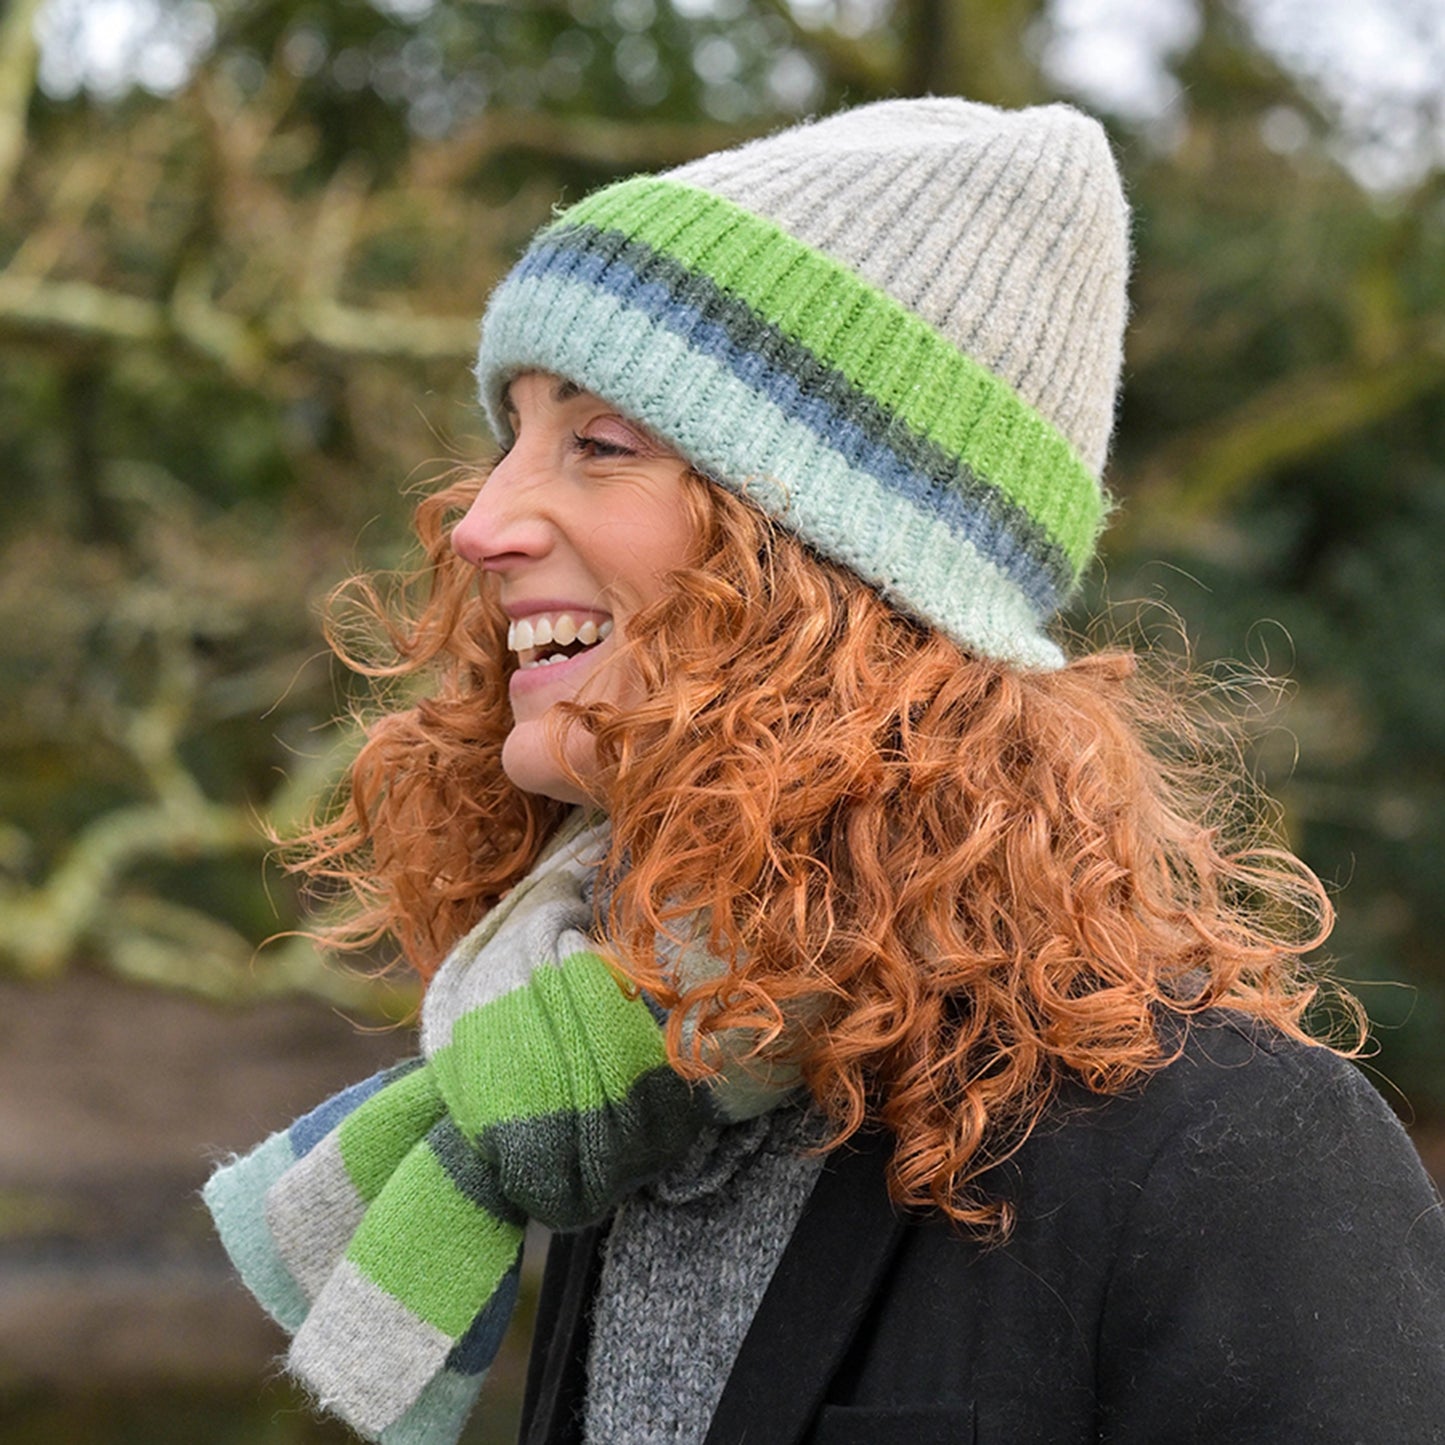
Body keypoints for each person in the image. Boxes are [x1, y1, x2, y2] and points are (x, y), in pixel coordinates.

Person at [205, 98, 1445, 1445]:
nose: (483, 520)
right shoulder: (634, 1086)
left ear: (837, 565)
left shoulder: (1232, 1154)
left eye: (598, 441)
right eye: (509, 431)